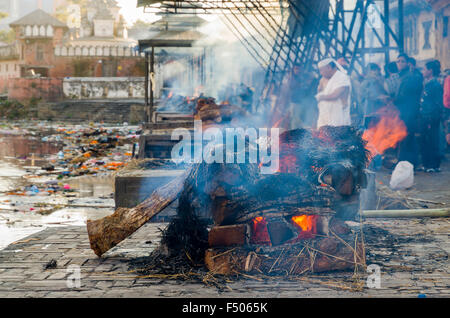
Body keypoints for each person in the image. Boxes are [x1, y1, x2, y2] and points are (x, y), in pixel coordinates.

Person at [394, 53, 423, 167]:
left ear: (407, 63)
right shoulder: (402, 76)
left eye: (402, 61)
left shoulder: (410, 77)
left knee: (406, 138)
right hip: (404, 112)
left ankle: (405, 164)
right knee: (407, 139)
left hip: (409, 112)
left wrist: (392, 100)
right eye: (398, 61)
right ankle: (408, 164)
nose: (400, 63)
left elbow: (405, 96)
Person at [419, 60, 444, 172]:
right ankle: (427, 164)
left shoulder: (435, 85)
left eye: (424, 69)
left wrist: (431, 115)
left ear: (430, 71)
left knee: (432, 140)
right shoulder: (427, 83)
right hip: (425, 115)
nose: (423, 71)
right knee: (425, 140)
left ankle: (433, 165)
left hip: (431, 116)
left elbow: (437, 102)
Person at [315, 58, 352, 128]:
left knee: (338, 138)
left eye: (321, 70)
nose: (320, 73)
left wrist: (319, 97)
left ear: (328, 67)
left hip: (338, 119)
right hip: (326, 117)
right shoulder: (325, 79)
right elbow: (320, 91)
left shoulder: (342, 77)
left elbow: (335, 95)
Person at [288, 64, 319, 129]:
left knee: (305, 121)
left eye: (299, 69)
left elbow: (312, 91)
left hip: (306, 103)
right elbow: (292, 87)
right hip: (296, 102)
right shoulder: (293, 78)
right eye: (296, 69)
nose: (298, 71)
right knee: (295, 120)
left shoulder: (308, 79)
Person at [359, 63, 388, 128]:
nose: (376, 72)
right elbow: (365, 95)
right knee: (370, 133)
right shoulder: (365, 83)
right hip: (369, 113)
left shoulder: (379, 81)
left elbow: (384, 93)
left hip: (380, 113)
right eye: (374, 70)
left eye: (377, 70)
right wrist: (378, 97)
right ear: (369, 71)